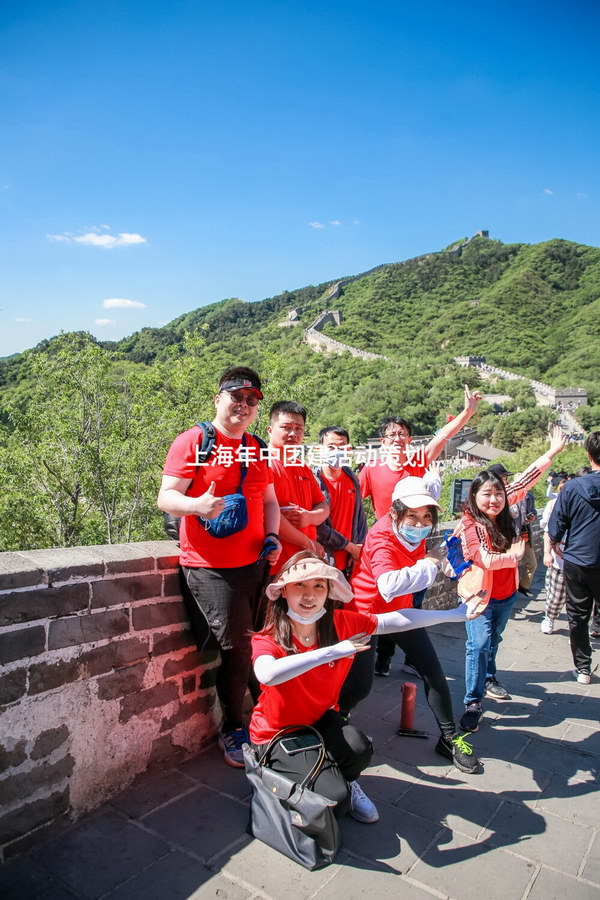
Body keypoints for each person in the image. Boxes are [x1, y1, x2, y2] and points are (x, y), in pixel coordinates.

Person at [249, 552, 487, 823]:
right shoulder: (268, 637)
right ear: (283, 592)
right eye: (299, 585)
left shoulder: (341, 623)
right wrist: (330, 652)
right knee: (333, 802)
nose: (309, 595)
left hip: (319, 721)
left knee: (359, 749)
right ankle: (269, 770)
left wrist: (456, 614)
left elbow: (394, 620)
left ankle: (344, 779)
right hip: (276, 733)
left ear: (328, 592)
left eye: (319, 586)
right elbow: (267, 674)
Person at [157, 366, 282, 767]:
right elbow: (166, 497)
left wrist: (274, 537)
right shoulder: (193, 441)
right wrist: (196, 505)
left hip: (256, 563)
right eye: (236, 397)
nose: (243, 406)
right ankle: (233, 727)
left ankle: (265, 713)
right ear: (218, 398)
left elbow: (269, 502)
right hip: (211, 567)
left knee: (256, 643)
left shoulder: (257, 447)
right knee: (238, 648)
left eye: (251, 401)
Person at [340, 477, 488, 774]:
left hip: (402, 611)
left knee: (433, 671)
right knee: (359, 687)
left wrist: (450, 563)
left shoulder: (413, 532)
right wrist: (431, 564)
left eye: (426, 517)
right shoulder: (381, 539)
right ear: (395, 513)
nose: (420, 523)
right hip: (367, 614)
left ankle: (449, 739)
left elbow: (424, 559)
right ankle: (331, 725)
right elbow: (388, 584)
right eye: (413, 515)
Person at [457, 426, 567, 732]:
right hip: (479, 596)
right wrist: (514, 555)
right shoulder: (470, 522)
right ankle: (472, 702)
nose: (493, 499)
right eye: (486, 494)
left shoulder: (504, 507)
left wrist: (552, 452)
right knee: (477, 644)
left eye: (497, 493)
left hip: (505, 596)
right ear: (474, 495)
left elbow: (527, 478)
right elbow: (484, 559)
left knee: (495, 639)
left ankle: (489, 677)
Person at [359, 384, 483, 520]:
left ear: (409, 440)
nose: (397, 439)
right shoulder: (371, 469)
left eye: (402, 434)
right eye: (392, 435)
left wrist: (467, 412)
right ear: (383, 441)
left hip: (414, 532)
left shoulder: (416, 463)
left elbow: (441, 438)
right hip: (385, 535)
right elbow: (353, 499)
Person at [548, 431, 600, 684]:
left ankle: (583, 669)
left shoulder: (572, 487)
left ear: (588, 456)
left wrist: (555, 541)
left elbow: (557, 522)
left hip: (578, 558)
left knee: (578, 615)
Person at [267, 401, 329, 569]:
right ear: (270, 430)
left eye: (299, 428)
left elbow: (323, 504)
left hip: (305, 561)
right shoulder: (263, 465)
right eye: (286, 427)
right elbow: (268, 514)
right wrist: (308, 543)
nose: (293, 433)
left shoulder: (302, 466)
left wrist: (310, 517)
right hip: (277, 563)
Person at [312, 426, 367, 577]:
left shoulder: (351, 478)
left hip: (350, 561)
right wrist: (349, 547)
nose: (336, 451)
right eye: (330, 447)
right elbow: (317, 526)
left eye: (341, 447)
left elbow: (360, 516)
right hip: (323, 560)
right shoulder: (313, 481)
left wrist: (359, 548)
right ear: (319, 450)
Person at [539, 475, 574, 635]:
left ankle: (577, 632)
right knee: (556, 597)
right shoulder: (556, 506)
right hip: (560, 561)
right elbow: (548, 531)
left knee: (578, 601)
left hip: (581, 563)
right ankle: (550, 618)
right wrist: (547, 553)